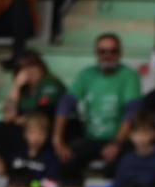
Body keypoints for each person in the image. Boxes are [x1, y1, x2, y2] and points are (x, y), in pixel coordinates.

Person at [54, 33, 142, 177]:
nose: (107, 55)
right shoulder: (86, 74)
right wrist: (57, 139)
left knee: (119, 165)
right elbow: (65, 104)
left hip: (119, 138)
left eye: (113, 51)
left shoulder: (129, 76)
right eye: (102, 51)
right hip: (90, 138)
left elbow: (131, 112)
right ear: (96, 53)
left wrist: (116, 143)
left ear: (120, 53)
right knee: (64, 158)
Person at [106, 111, 155, 187]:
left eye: (145, 132)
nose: (141, 137)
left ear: (154, 133)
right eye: (137, 132)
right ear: (130, 135)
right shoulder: (126, 160)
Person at [9, 111, 61, 187]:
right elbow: (11, 180)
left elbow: (51, 185)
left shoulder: (51, 158)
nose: (36, 137)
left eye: (41, 133)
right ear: (25, 134)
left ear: (46, 135)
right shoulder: (17, 156)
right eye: (32, 132)